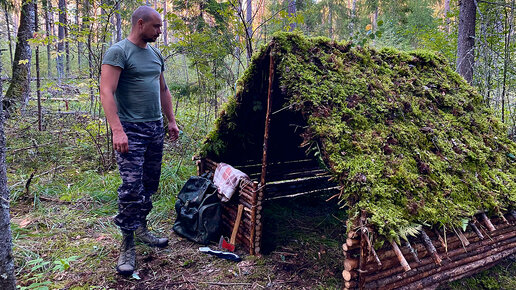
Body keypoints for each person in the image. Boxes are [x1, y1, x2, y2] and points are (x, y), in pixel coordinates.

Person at [99, 6, 179, 276]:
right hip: (130, 130)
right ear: (140, 24)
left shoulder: (155, 54)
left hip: (154, 127)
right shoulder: (118, 52)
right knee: (131, 189)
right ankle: (127, 242)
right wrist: (117, 130)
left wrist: (170, 120)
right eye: (156, 27)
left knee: (149, 184)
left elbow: (163, 89)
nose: (159, 31)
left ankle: (142, 227)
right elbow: (106, 91)